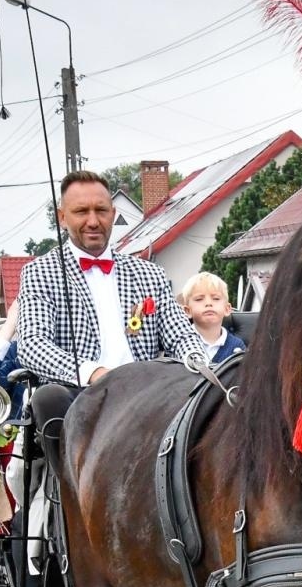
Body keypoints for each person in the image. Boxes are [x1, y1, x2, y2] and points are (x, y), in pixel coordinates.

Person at [16, 169, 205, 463]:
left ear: (113, 214)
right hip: (80, 394)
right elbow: (32, 344)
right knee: (46, 398)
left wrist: (199, 364)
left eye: (101, 211)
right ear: (62, 217)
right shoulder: (40, 272)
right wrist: (93, 373)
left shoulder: (149, 273)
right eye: (81, 211)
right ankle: (65, 496)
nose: (93, 221)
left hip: (149, 392)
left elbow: (180, 334)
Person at [177, 272, 246, 364]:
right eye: (199, 299)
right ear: (187, 311)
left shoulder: (237, 347)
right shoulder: (180, 344)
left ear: (227, 309)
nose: (208, 303)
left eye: (216, 298)